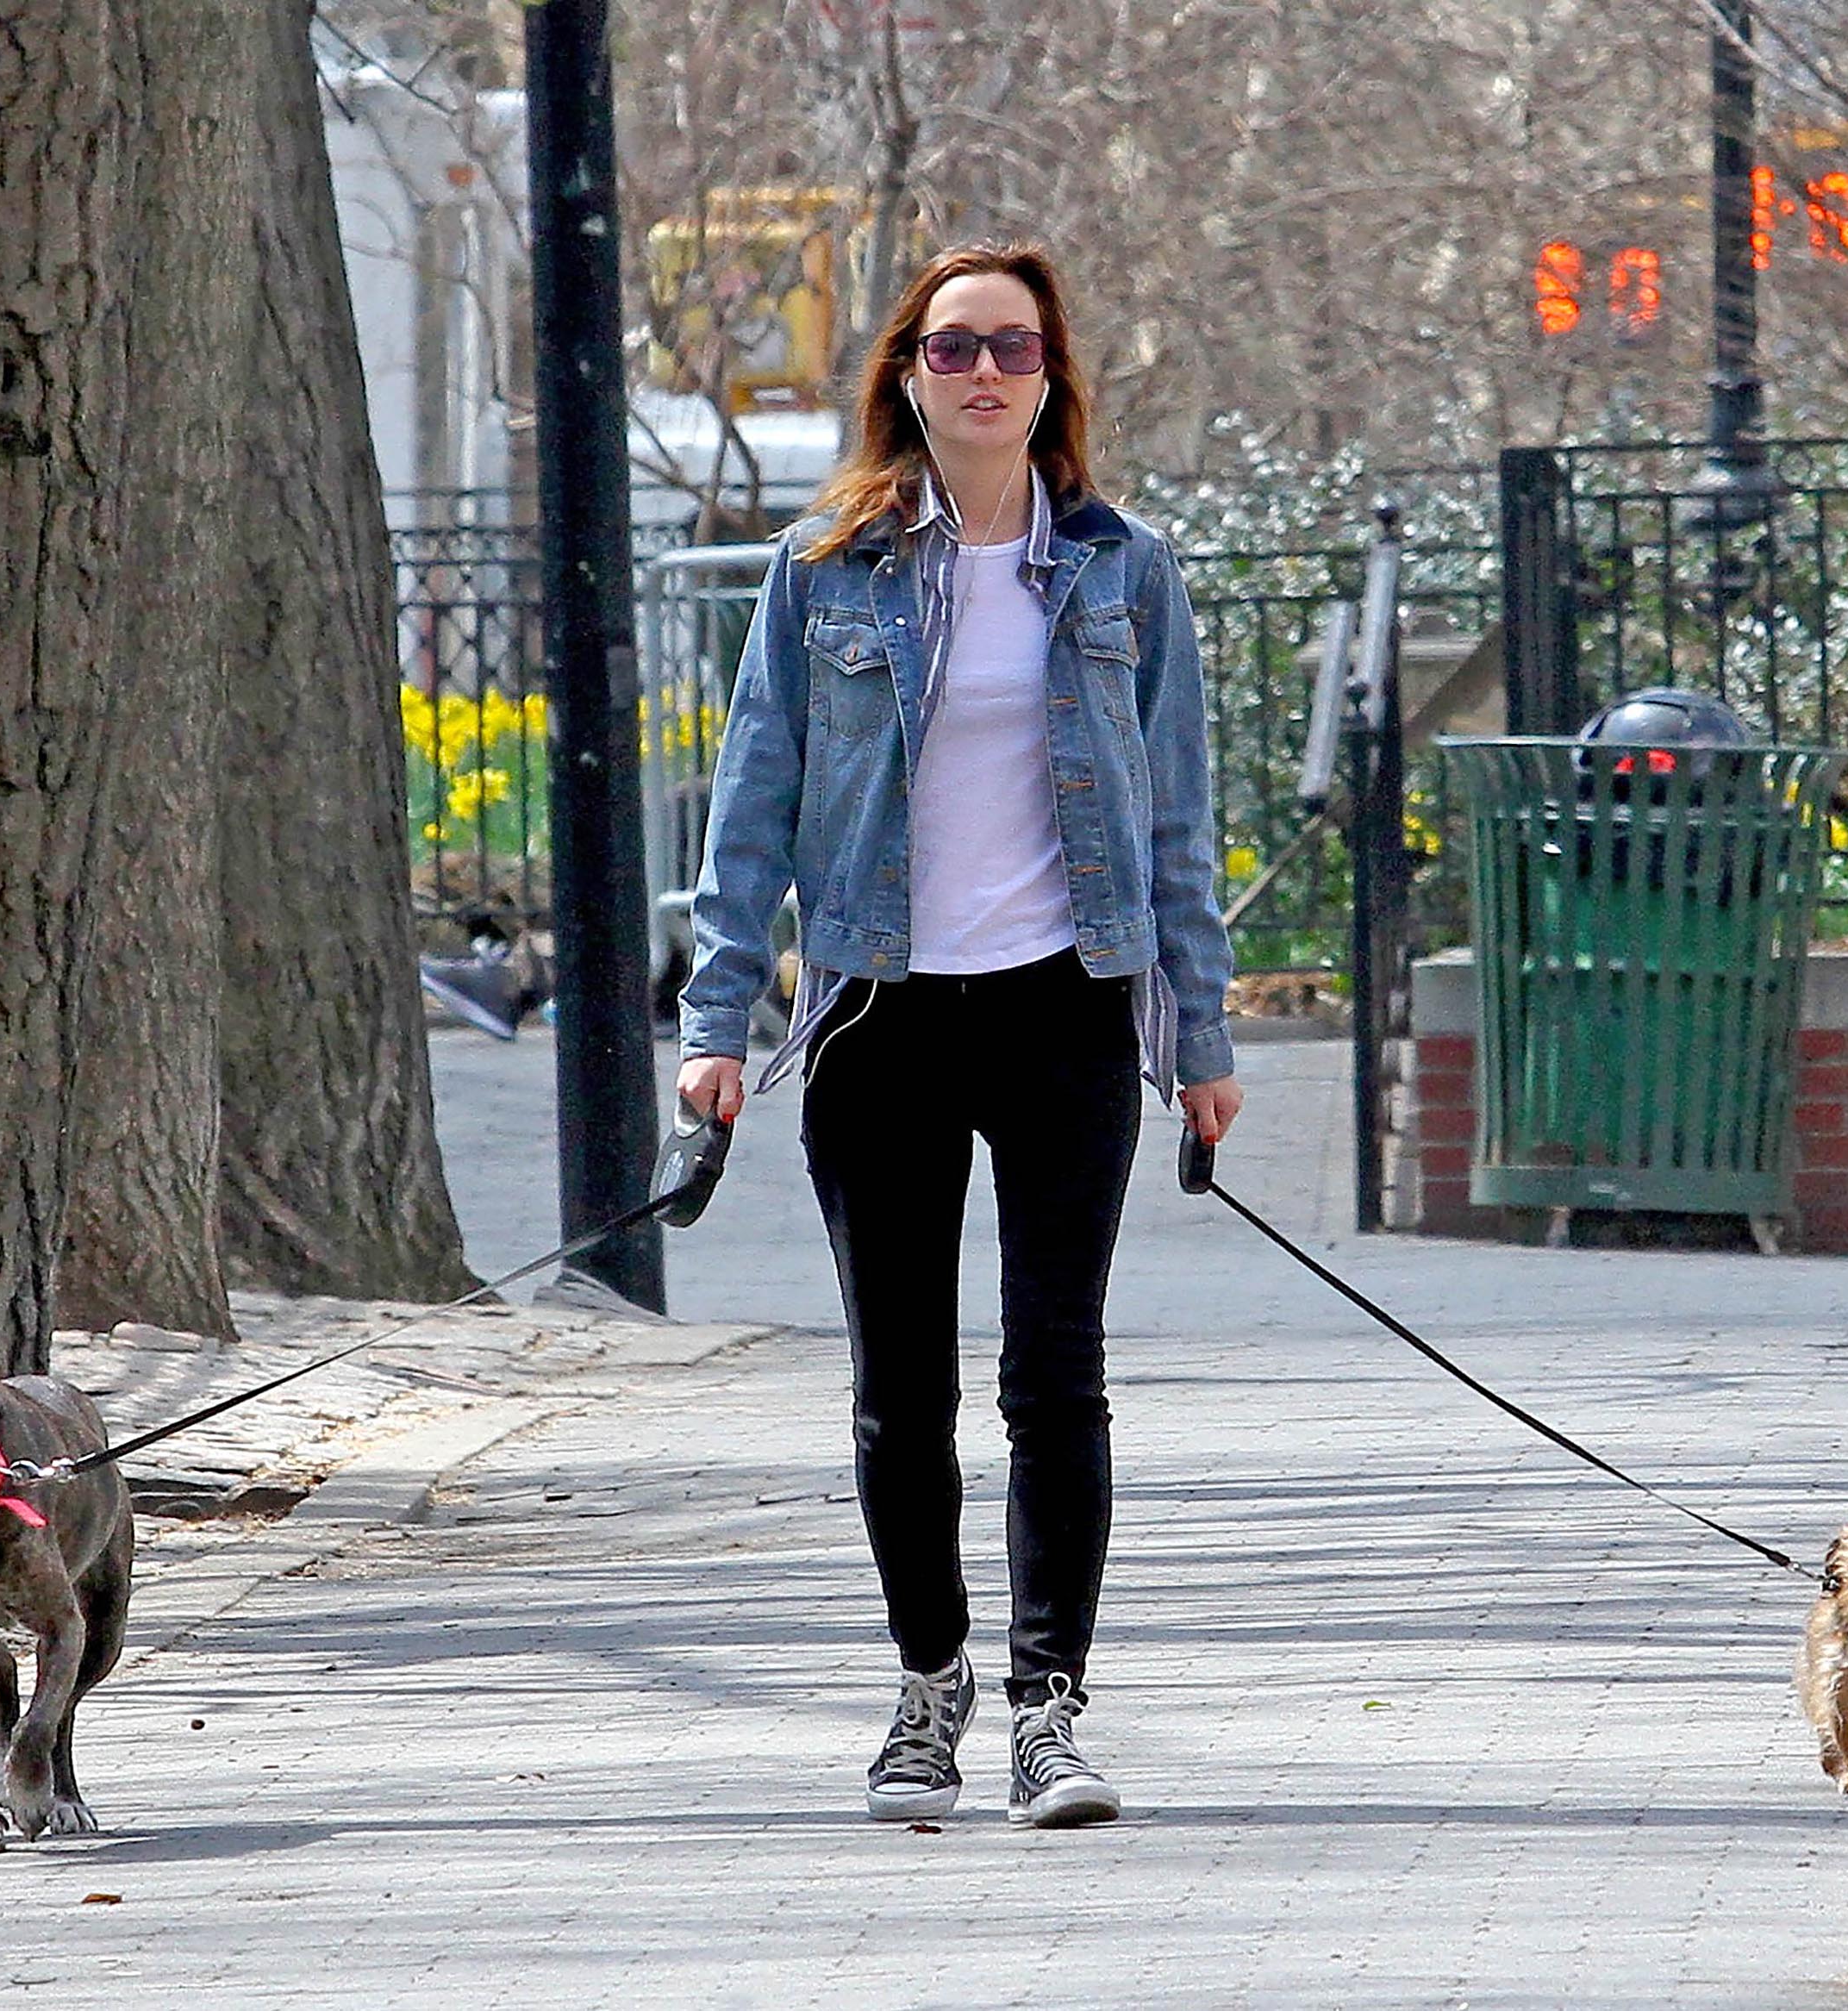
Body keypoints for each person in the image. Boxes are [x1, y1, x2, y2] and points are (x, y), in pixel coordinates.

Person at [676, 241, 1241, 1830]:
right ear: (906, 378)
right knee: (898, 1385)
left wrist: (1200, 1033)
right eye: (951, 348)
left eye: (1012, 346)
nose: (983, 372)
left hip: (1067, 1008)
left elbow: (1178, 817)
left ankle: (1050, 1710)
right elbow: (752, 804)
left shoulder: (1124, 569)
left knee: (1056, 1376)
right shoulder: (821, 570)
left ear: (1050, 376)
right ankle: (928, 1684)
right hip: (880, 1014)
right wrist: (715, 1020)